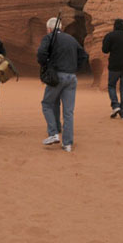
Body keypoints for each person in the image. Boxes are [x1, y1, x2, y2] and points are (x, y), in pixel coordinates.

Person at [37, 17, 89, 152]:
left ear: (49, 29)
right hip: (71, 77)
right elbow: (83, 55)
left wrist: (46, 65)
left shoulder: (49, 38)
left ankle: (53, 133)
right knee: (68, 111)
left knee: (47, 103)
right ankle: (67, 144)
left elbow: (41, 54)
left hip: (57, 76)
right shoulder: (71, 39)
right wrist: (75, 68)